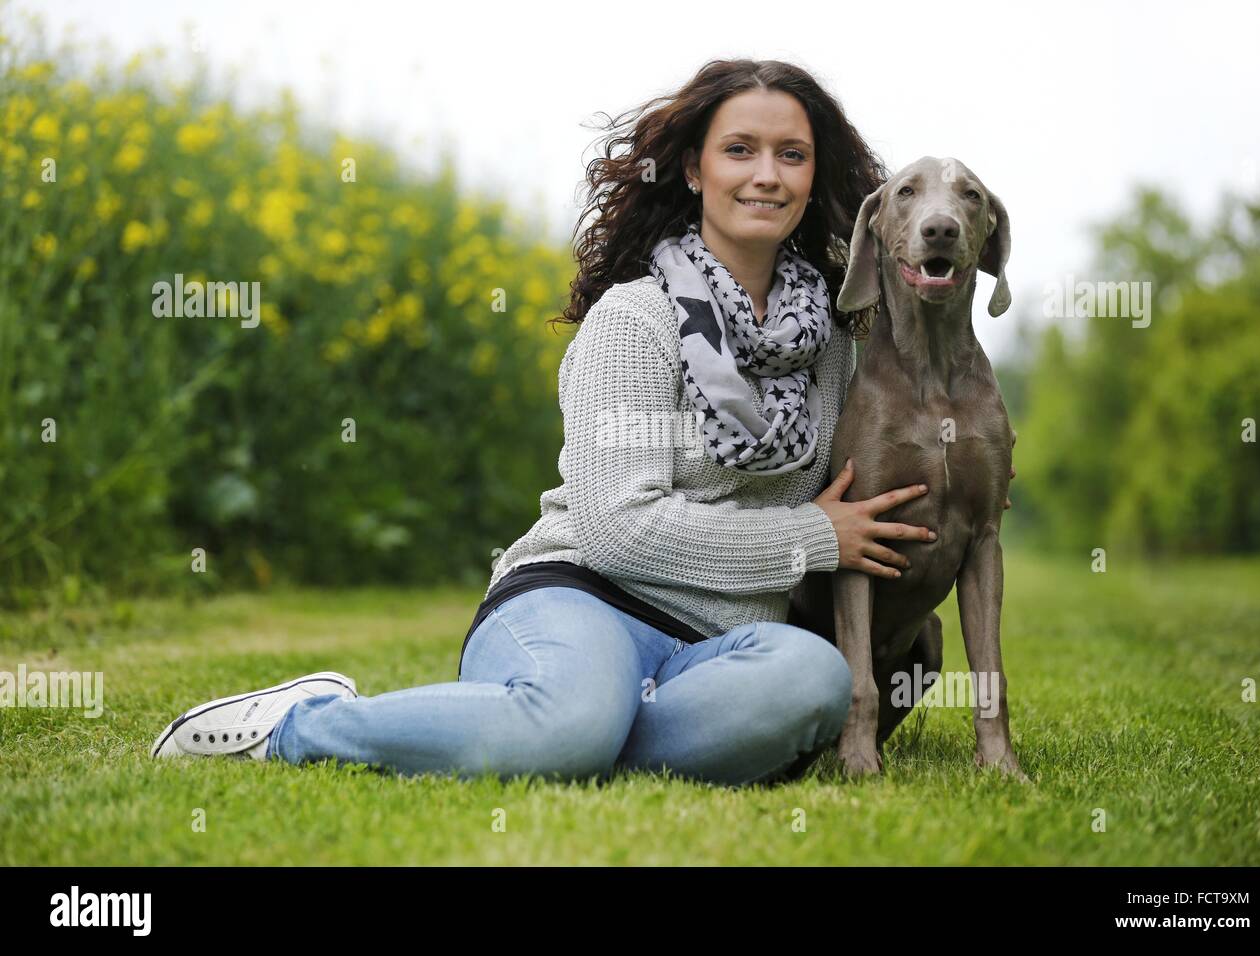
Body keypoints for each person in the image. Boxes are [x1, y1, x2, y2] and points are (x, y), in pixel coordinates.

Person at [151, 58, 940, 787]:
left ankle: (569, 737)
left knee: (811, 679)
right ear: (695, 171)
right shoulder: (638, 319)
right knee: (572, 717)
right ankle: (302, 724)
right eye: (740, 150)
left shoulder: (835, 347)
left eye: (791, 155)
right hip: (582, 597)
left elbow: (865, 473)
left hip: (723, 648)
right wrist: (808, 538)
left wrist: (955, 476)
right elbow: (617, 530)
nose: (766, 175)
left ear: (813, 177)